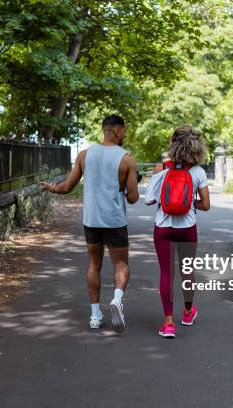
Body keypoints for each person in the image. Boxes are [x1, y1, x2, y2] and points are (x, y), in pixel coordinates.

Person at [40, 115, 139, 333]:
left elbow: (66, 187)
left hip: (92, 220)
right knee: (121, 265)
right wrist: (128, 184)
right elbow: (133, 198)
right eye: (124, 131)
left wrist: (50, 187)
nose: (125, 135)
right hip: (114, 220)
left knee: (94, 264)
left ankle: (95, 315)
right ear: (117, 131)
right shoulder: (127, 159)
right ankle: (117, 300)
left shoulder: (85, 155)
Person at [145, 125, 210, 339]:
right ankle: (189, 312)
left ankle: (168, 323)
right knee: (187, 271)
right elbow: (206, 205)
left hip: (163, 228)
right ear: (196, 147)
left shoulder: (161, 168)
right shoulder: (198, 171)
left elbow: (149, 201)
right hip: (187, 229)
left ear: (173, 145)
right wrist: (190, 203)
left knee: (166, 273)